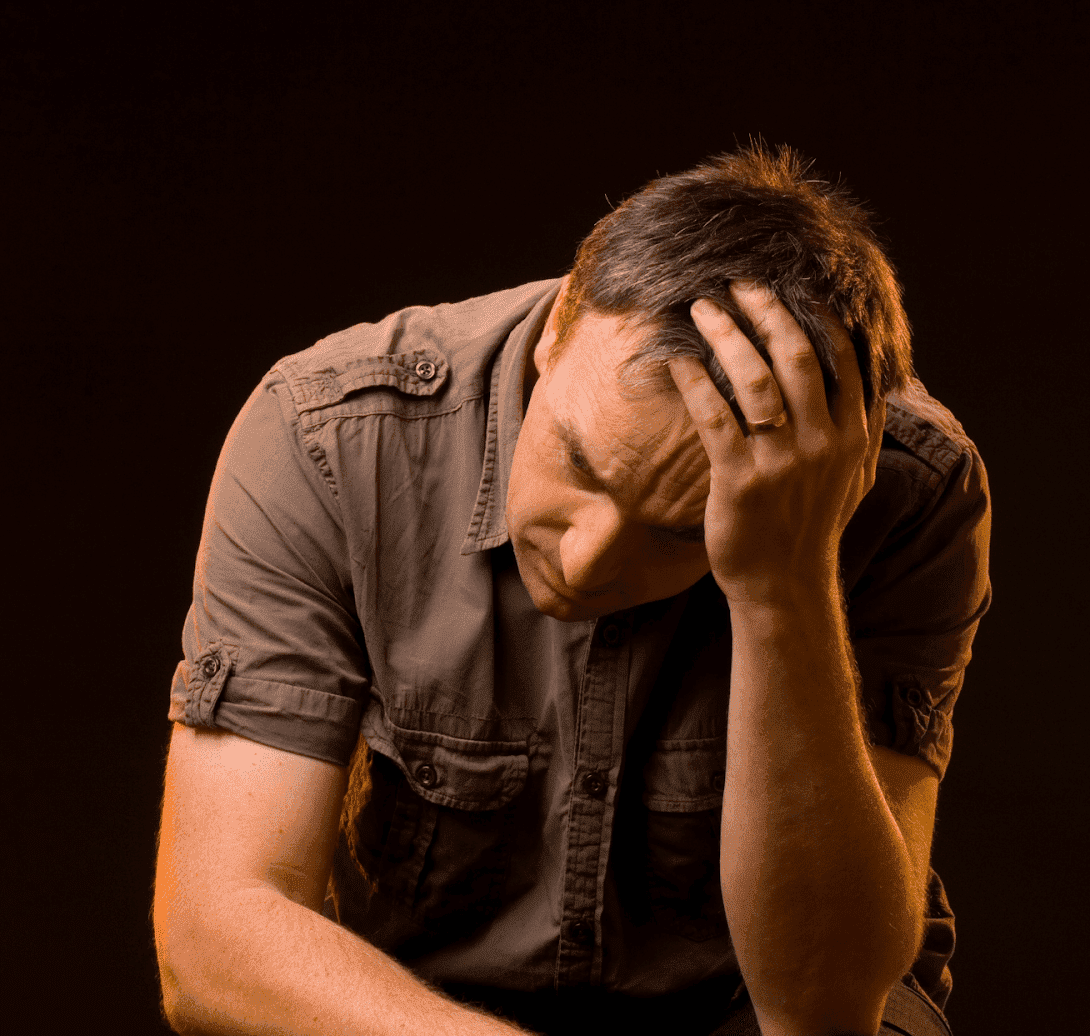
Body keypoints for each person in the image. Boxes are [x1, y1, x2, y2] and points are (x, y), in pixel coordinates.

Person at [153, 145, 991, 1036]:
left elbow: (821, 1009)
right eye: (581, 463)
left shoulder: (906, 489)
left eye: (681, 532)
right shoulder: (329, 438)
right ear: (559, 328)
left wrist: (783, 584)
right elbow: (215, 938)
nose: (589, 561)